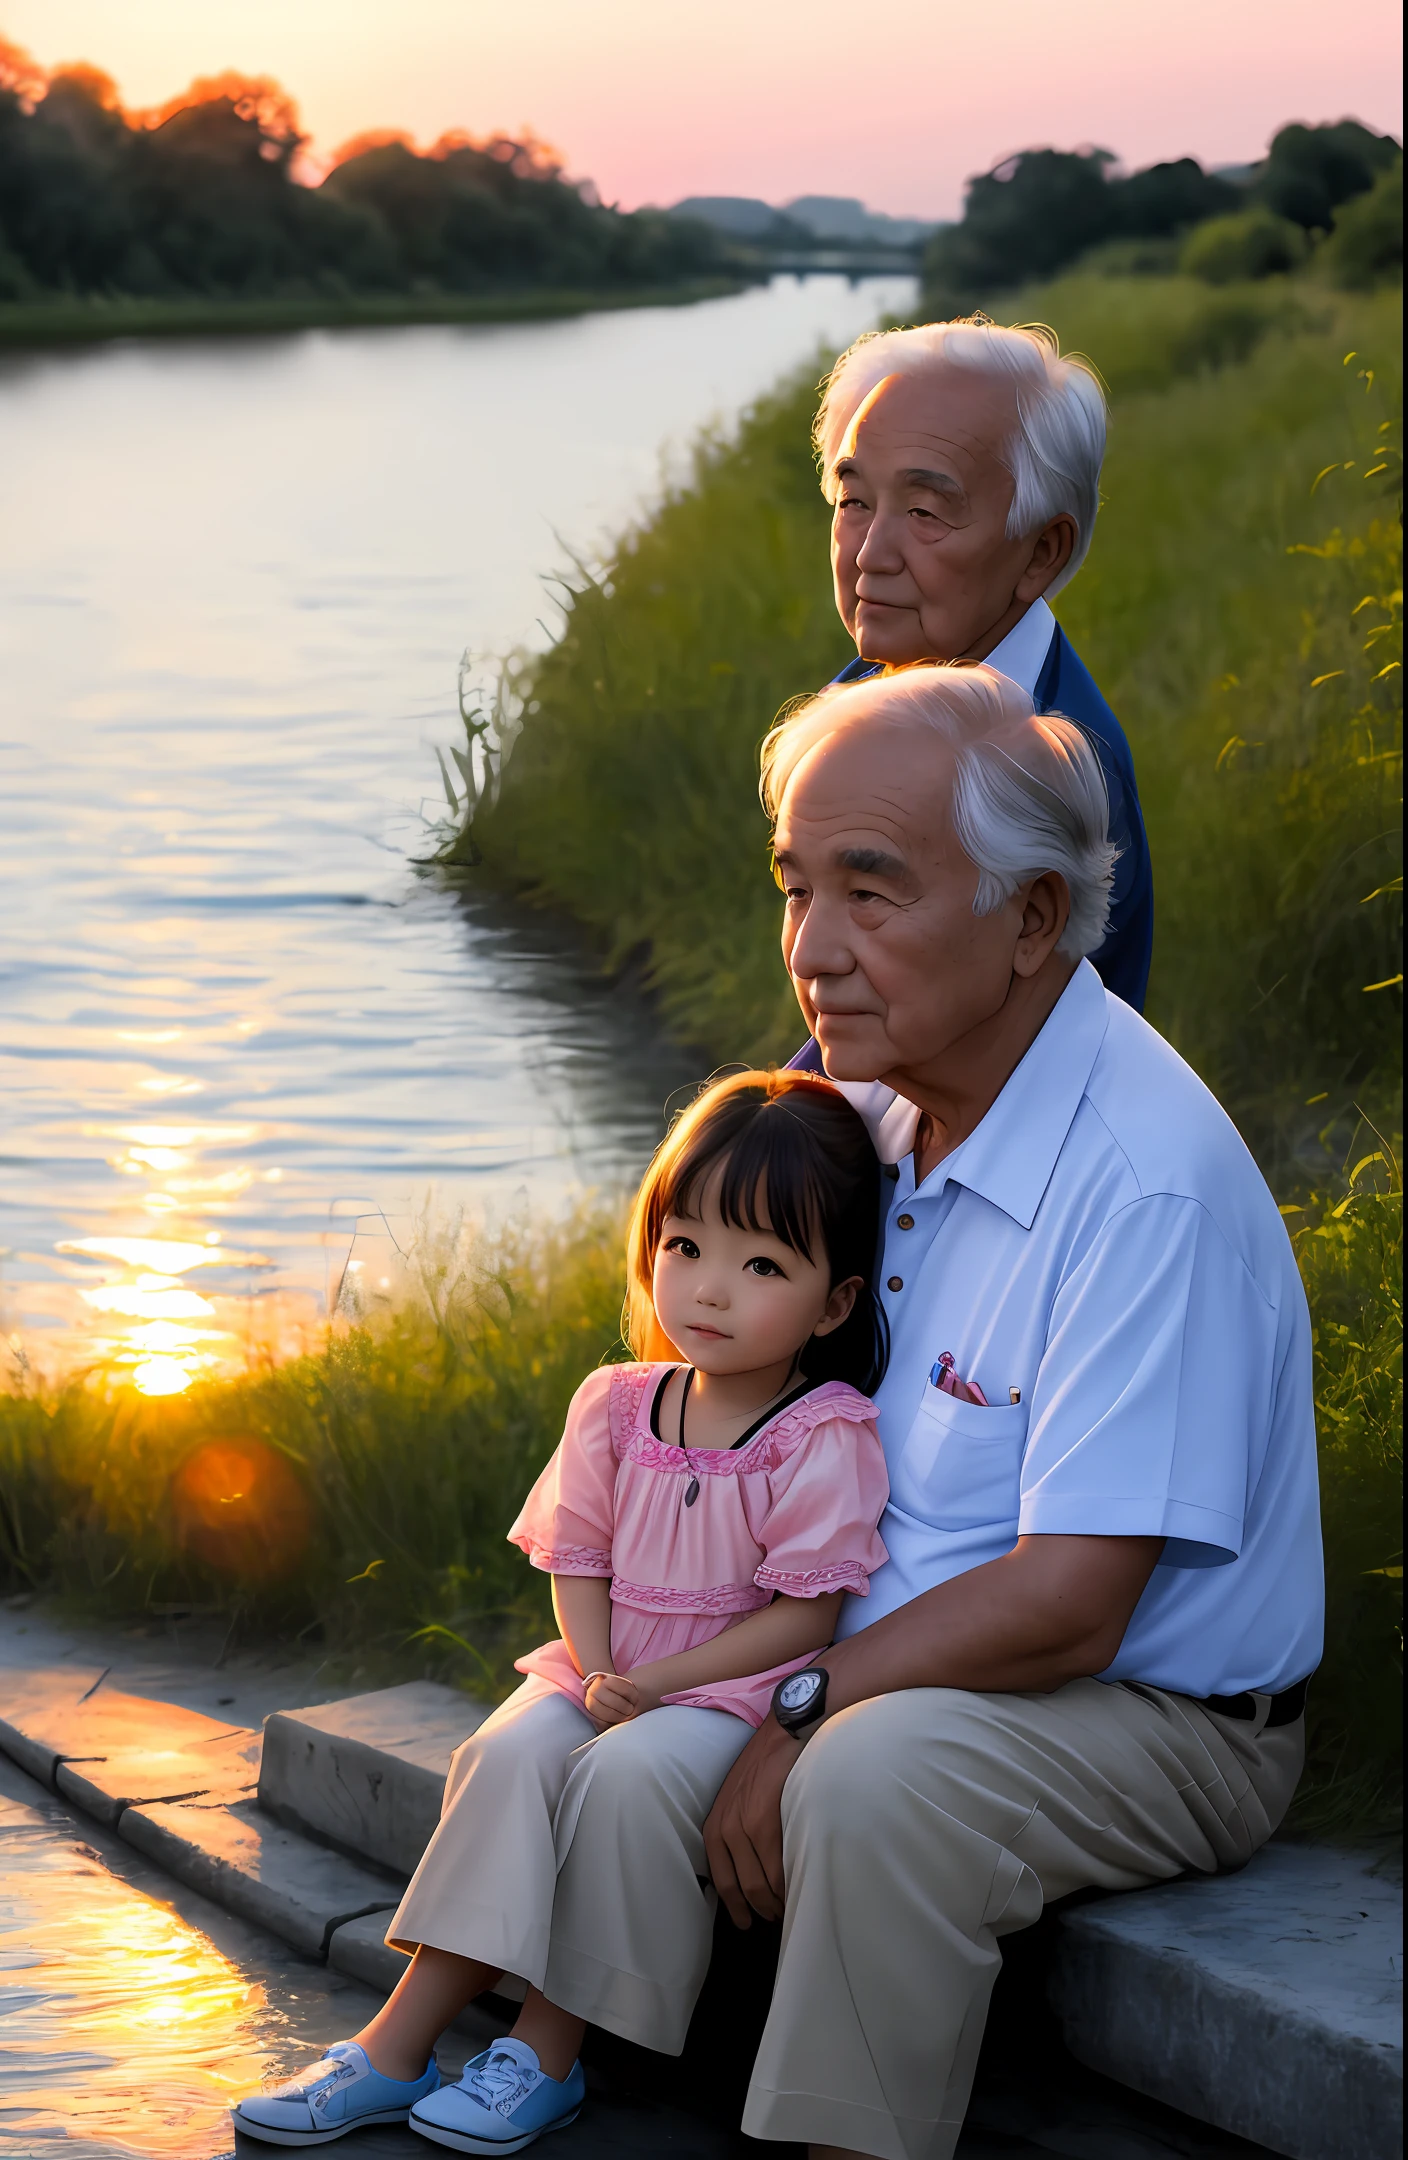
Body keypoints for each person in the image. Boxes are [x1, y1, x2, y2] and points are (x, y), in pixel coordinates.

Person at [704, 663, 1321, 2160]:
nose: (813, 950)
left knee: (872, 1780)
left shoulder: (1142, 1180)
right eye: (796, 890)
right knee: (597, 1715)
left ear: (1034, 918)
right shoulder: (871, 1114)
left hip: (1164, 1718)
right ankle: (539, 2059)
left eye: (871, 893)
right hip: (917, 1648)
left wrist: (801, 1702)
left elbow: (1068, 1609)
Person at [231, 1068, 892, 2152]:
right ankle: (396, 2046)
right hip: (605, 1672)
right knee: (508, 1753)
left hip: (725, 1700)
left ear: (833, 1302)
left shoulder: (821, 1432)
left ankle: (544, 2055)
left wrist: (655, 1690)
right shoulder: (618, 1402)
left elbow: (803, 1621)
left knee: (625, 1780)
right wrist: (593, 1675)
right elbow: (576, 1555)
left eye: (761, 1264)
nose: (709, 1290)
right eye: (685, 1246)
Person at [792, 315, 1154, 1037]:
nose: (869, 555)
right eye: (855, 502)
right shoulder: (879, 680)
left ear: (1042, 552)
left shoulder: (1060, 778)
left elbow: (984, 1085)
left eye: (925, 511)